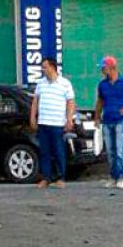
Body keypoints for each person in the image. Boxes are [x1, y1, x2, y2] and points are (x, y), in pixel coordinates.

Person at [94, 55, 123, 189]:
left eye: (103, 68)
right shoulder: (102, 84)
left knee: (120, 150)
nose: (102, 70)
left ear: (110, 67)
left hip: (120, 120)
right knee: (110, 151)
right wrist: (97, 117)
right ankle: (113, 176)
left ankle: (121, 177)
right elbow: (100, 101)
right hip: (107, 120)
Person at [29, 57, 74, 188]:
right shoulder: (41, 84)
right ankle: (46, 177)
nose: (43, 70)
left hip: (57, 123)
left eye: (45, 67)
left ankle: (60, 177)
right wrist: (33, 117)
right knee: (44, 151)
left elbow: (70, 102)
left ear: (52, 67)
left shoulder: (65, 83)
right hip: (43, 122)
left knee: (58, 151)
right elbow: (35, 101)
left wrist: (69, 119)